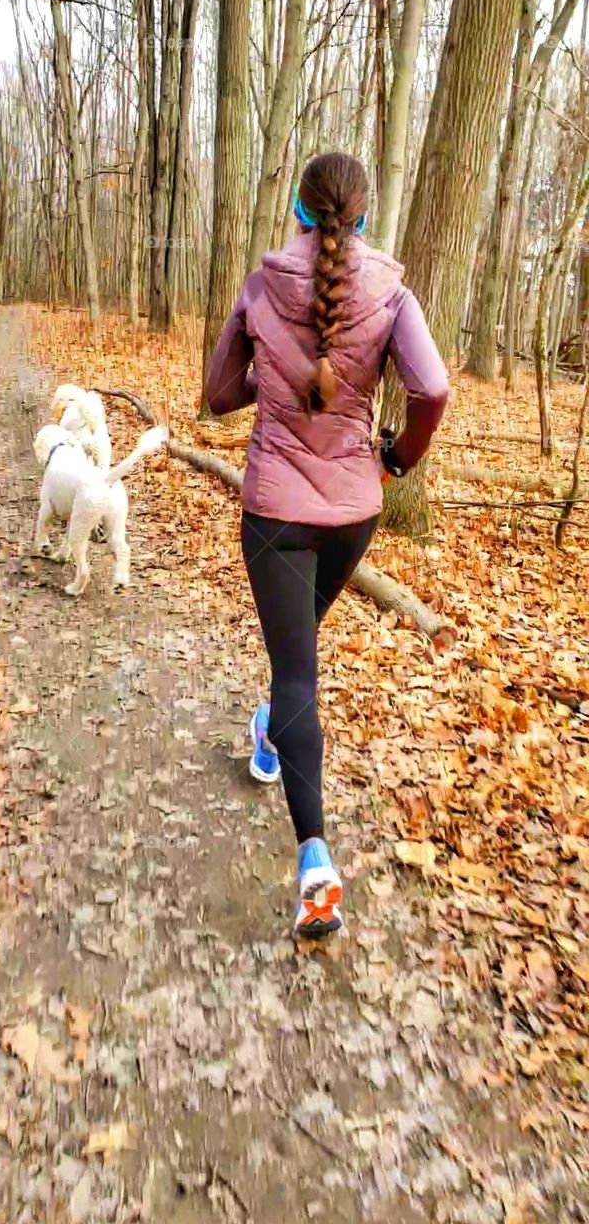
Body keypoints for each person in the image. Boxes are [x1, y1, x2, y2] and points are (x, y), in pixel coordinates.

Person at [206, 151, 449, 939]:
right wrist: (398, 457)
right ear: (365, 217)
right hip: (353, 511)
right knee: (297, 661)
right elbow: (432, 389)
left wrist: (270, 381)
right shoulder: (394, 292)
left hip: (276, 509)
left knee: (296, 671)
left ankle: (314, 855)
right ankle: (271, 737)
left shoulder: (261, 282)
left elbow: (214, 396)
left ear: (299, 212)